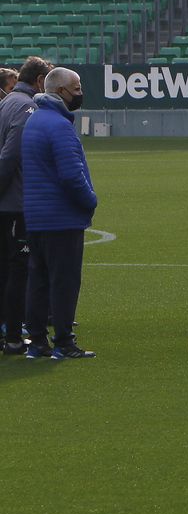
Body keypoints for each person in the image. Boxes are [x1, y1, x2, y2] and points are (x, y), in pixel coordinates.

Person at [20, 67, 96, 359]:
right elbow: (71, 175)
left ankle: (37, 342)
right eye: (75, 88)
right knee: (64, 282)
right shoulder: (59, 126)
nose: (79, 93)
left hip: (36, 216)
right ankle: (64, 342)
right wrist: (90, 200)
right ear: (60, 91)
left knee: (38, 280)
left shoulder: (35, 121)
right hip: (61, 217)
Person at [0, 56, 50, 355]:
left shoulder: (8, 101)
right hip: (16, 202)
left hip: (9, 201)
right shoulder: (27, 107)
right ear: (41, 81)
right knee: (19, 269)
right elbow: (11, 156)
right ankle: (15, 336)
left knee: (7, 268)